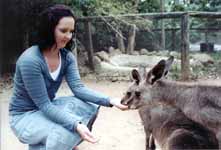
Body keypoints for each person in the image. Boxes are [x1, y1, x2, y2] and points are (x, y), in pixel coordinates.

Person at [9, 4, 128, 150]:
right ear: (49, 29)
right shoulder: (31, 60)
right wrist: (76, 125)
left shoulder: (67, 57)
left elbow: (78, 89)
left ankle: (53, 143)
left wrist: (110, 101)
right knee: (68, 128)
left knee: (86, 106)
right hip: (24, 117)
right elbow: (44, 105)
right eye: (63, 31)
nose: (68, 36)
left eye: (71, 31)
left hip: (46, 109)